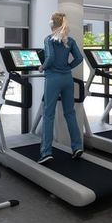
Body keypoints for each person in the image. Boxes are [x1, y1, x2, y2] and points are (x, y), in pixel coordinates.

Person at [38, 12, 85, 163]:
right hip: (67, 79)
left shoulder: (49, 39)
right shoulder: (69, 40)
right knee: (70, 113)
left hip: (53, 79)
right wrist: (68, 67)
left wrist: (42, 67)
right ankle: (77, 146)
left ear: (52, 23)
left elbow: (50, 58)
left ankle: (46, 152)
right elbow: (79, 58)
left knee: (48, 114)